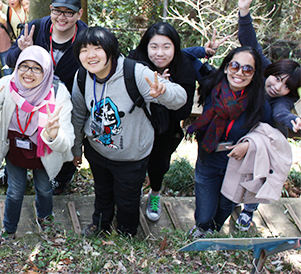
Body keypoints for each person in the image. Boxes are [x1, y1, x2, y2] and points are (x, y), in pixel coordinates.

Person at [71, 27, 186, 237]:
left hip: (131, 156)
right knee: (102, 192)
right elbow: (78, 114)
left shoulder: (135, 73)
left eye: (97, 48)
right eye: (84, 49)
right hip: (97, 151)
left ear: (111, 50)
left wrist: (164, 91)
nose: (91, 55)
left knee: (127, 199)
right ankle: (101, 224)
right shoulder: (82, 76)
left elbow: (180, 98)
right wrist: (76, 148)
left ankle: (126, 231)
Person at [0, 46, 75, 243]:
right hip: (16, 148)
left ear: (47, 71)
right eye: (24, 66)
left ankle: (45, 219)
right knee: (15, 191)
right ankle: (9, 229)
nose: (28, 73)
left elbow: (68, 141)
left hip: (44, 151)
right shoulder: (8, 84)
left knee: (44, 188)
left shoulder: (58, 93)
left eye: (36, 68)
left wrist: (53, 134)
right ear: (16, 66)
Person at [0, 0, 87, 194]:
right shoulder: (36, 28)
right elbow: (10, 61)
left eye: (69, 12)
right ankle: (11, 171)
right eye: (57, 11)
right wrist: (22, 49)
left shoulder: (85, 38)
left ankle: (60, 176)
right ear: (50, 9)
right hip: (29, 96)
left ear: (79, 14)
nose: (62, 17)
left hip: (63, 98)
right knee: (20, 134)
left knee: (62, 136)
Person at [234, 0, 301, 230]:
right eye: (277, 78)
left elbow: (281, 112)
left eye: (287, 86)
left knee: (257, 175)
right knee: (235, 169)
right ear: (271, 71)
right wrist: (244, 12)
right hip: (244, 131)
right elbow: (249, 41)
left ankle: (248, 210)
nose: (277, 86)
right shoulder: (261, 69)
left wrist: (292, 121)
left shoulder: (283, 101)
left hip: (268, 140)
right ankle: (231, 200)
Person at [187, 46, 271, 238]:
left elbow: (270, 134)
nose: (240, 72)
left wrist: (250, 144)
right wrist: (205, 50)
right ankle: (202, 228)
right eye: (234, 65)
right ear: (226, 67)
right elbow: (183, 55)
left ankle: (213, 232)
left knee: (225, 206)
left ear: (254, 74)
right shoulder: (210, 84)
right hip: (208, 160)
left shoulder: (259, 102)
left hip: (237, 166)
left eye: (247, 69)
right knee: (204, 214)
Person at [129, 22, 197, 222]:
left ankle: (155, 194)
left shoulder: (184, 68)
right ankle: (131, 195)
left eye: (166, 47)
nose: (160, 53)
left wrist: (166, 91)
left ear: (175, 47)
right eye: (154, 46)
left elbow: (184, 111)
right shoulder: (135, 61)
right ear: (146, 46)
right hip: (136, 125)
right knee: (133, 165)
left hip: (165, 130)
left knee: (158, 166)